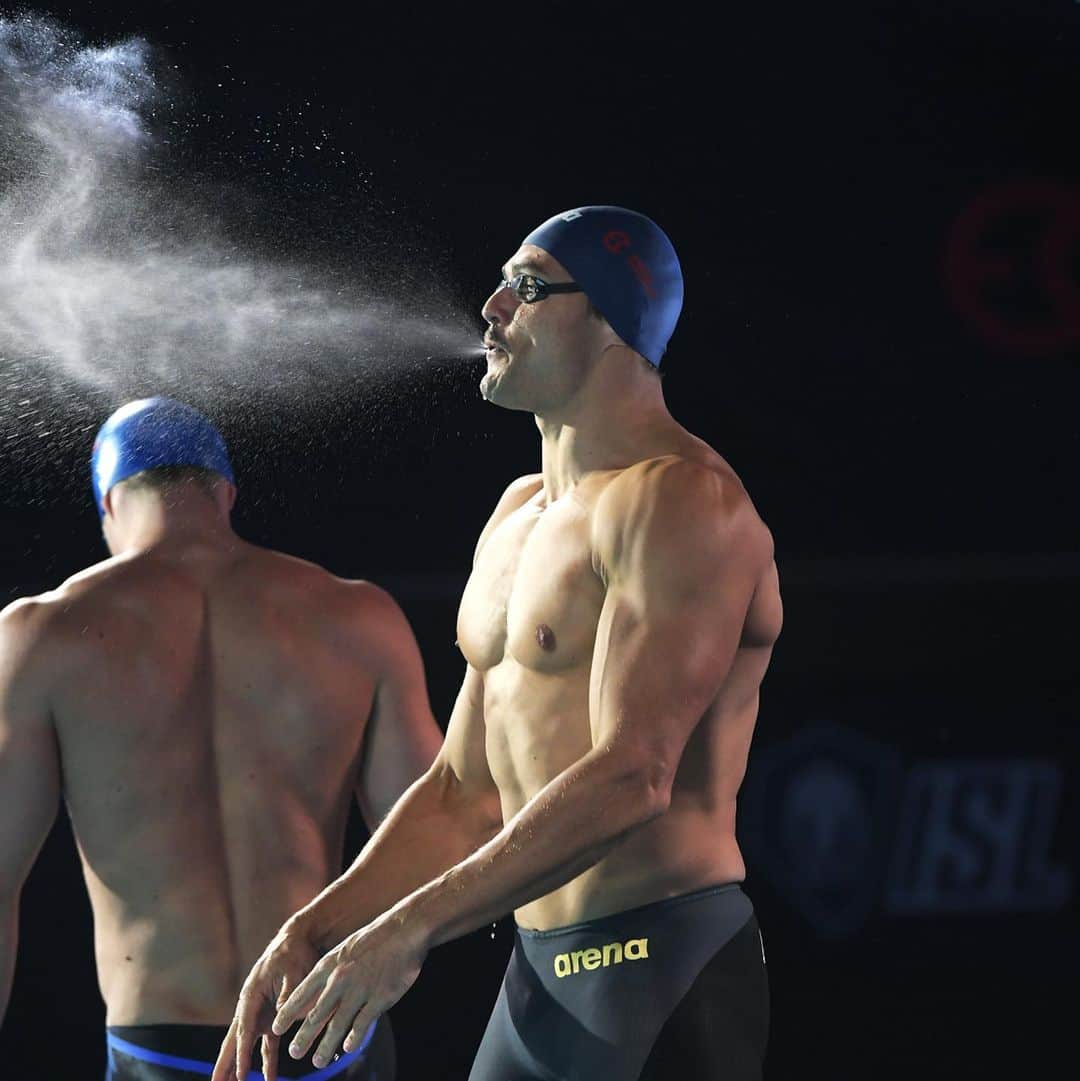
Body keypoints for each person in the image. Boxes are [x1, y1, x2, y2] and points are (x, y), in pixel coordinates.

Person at [213, 206, 783, 1081]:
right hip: (537, 976)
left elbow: (636, 774)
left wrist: (407, 930)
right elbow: (463, 790)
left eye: (523, 287)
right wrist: (316, 929)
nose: (489, 308)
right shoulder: (521, 513)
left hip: (656, 966)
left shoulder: (678, 501)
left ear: (610, 319)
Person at [0, 397, 443, 1080]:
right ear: (226, 493)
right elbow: (436, 840)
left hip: (160, 1045)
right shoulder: (360, 616)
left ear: (110, 506)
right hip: (322, 1028)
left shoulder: (40, 636)